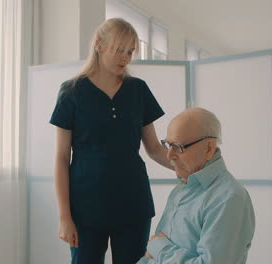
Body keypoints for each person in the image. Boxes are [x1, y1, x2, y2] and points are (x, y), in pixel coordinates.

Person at [49, 18, 172, 264]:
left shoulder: (138, 90)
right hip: (85, 208)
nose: (125, 58)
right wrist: (65, 216)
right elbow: (62, 158)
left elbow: (155, 149)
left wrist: (189, 168)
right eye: (119, 49)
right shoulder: (72, 91)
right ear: (99, 45)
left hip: (132, 204)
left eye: (130, 52)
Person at [138, 108, 256, 264]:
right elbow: (151, 256)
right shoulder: (183, 187)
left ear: (209, 148)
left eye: (178, 147)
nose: (169, 155)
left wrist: (159, 248)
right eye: (168, 145)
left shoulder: (229, 199)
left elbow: (157, 248)